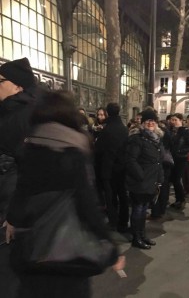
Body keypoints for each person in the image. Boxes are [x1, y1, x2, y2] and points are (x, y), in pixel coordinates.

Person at [6, 90, 124, 298]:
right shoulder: (73, 149)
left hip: (32, 250)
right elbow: (87, 204)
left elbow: (20, 195)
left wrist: (12, 220)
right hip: (66, 252)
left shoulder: (29, 147)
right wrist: (111, 248)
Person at [0, 57, 40, 298]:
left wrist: (15, 215)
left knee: (10, 275)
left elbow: (32, 171)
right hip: (11, 208)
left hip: (11, 214)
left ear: (17, 86)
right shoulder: (11, 113)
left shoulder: (24, 117)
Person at [126, 109, 164, 249]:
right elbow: (131, 160)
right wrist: (141, 176)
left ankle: (142, 235)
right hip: (140, 181)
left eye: (153, 121)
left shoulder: (156, 139)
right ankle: (137, 237)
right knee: (138, 209)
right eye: (147, 121)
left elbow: (158, 162)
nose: (150, 123)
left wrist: (160, 179)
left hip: (151, 181)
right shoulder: (137, 139)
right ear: (142, 123)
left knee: (143, 210)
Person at [95, 103, 129, 232]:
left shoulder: (107, 130)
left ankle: (114, 221)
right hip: (122, 168)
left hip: (108, 169)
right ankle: (124, 221)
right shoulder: (124, 129)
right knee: (123, 196)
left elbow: (99, 151)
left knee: (111, 197)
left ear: (107, 113)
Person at [169, 113, 189, 210]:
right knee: (173, 180)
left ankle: (181, 199)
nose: (173, 122)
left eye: (175, 120)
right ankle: (178, 199)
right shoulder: (171, 131)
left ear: (181, 120)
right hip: (172, 158)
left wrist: (179, 151)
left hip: (181, 158)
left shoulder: (186, 131)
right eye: (172, 120)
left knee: (177, 179)